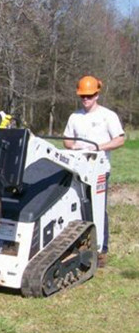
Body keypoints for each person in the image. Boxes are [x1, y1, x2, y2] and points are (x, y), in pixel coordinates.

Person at [63, 75, 125, 268]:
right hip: (77, 169)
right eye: (83, 96)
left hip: (99, 170)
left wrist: (99, 147)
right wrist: (73, 147)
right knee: (76, 206)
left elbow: (120, 139)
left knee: (97, 208)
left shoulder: (108, 116)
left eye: (89, 96)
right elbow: (67, 139)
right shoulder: (75, 117)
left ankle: (100, 250)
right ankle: (78, 244)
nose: (86, 99)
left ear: (97, 94)